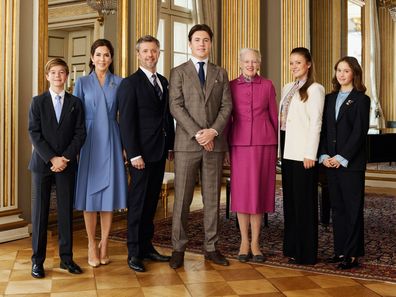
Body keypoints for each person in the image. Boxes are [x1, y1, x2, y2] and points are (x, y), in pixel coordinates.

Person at [168, 24, 233, 269]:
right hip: (187, 143)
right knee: (182, 199)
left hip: (214, 144)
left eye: (206, 40)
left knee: (212, 199)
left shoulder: (220, 73)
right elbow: (176, 106)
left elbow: (227, 106)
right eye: (197, 40)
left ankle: (211, 247)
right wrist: (198, 133)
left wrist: (213, 132)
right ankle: (178, 248)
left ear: (211, 43)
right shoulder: (179, 72)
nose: (202, 44)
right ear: (190, 43)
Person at [118, 35, 175, 272]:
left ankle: (147, 247)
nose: (150, 55)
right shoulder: (130, 83)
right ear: (138, 54)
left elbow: (166, 117)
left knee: (151, 203)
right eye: (145, 51)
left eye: (154, 51)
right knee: (138, 204)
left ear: (158, 53)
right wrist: (133, 154)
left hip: (160, 152)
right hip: (140, 155)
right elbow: (126, 122)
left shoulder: (163, 80)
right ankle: (134, 253)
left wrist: (170, 145)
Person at [28, 58, 86, 278]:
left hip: (67, 165)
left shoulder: (75, 103)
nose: (58, 76)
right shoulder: (37, 102)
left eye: (62, 72)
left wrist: (65, 158)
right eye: (53, 72)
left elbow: (80, 133)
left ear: (67, 76)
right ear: (47, 76)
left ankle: (66, 259)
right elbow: (34, 133)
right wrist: (53, 158)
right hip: (42, 165)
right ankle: (37, 261)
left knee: (65, 213)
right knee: (40, 214)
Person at [73, 39, 127, 267]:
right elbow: (75, 117)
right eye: (98, 54)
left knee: (108, 197)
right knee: (90, 197)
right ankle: (91, 244)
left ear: (111, 58)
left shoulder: (120, 83)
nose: (102, 59)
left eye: (107, 55)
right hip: (90, 141)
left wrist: (126, 146)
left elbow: (124, 117)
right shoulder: (82, 82)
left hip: (113, 140)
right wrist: (74, 147)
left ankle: (104, 243)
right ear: (92, 58)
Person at [225, 48, 278, 263]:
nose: (250, 65)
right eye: (247, 61)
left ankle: (256, 243)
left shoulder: (267, 85)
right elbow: (227, 119)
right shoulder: (230, 86)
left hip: (265, 144)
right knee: (242, 194)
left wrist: (278, 149)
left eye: (254, 61)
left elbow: (274, 116)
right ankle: (243, 242)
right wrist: (227, 150)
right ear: (240, 63)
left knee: (258, 194)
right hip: (238, 145)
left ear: (259, 64)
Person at [319, 56, 370, 269]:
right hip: (330, 163)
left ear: (354, 73)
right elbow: (323, 131)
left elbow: (359, 132)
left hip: (350, 164)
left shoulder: (361, 99)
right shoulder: (329, 99)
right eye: (338, 70)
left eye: (346, 70)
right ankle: (340, 251)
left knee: (352, 209)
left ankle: (352, 254)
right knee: (337, 209)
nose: (341, 74)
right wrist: (324, 156)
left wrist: (341, 158)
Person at [279, 47, 325, 265]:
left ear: (308, 64)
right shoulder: (288, 87)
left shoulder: (316, 89)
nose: (294, 66)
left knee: (305, 204)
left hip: (304, 155)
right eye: (291, 63)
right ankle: (292, 248)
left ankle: (306, 253)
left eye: (298, 62)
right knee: (290, 203)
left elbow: (316, 123)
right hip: (288, 152)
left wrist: (310, 153)